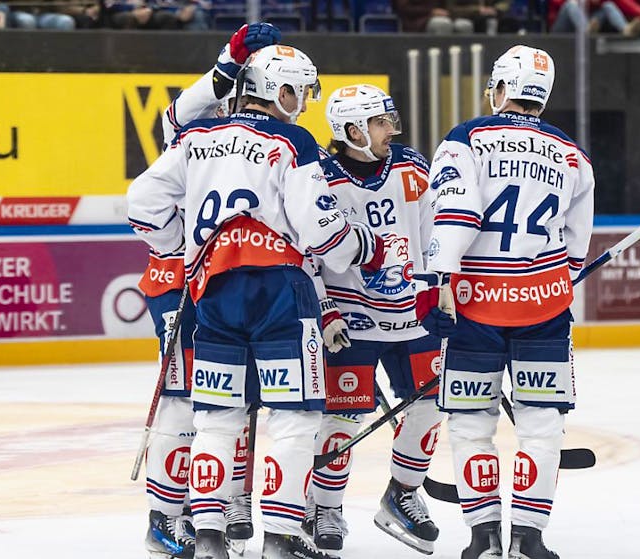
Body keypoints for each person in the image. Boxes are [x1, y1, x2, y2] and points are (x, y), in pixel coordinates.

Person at [127, 43, 385, 559]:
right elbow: (323, 236)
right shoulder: (291, 140)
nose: (306, 103)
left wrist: (182, 245)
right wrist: (366, 246)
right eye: (302, 91)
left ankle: (207, 539)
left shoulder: (195, 136)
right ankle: (282, 540)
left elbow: (142, 203)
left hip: (213, 293)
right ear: (280, 91)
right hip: (279, 294)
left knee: (216, 419)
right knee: (294, 419)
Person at [418, 45, 594, 559]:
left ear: (498, 88)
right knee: (542, 426)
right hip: (543, 310)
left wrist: (436, 282)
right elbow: (577, 248)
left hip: (474, 309)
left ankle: (484, 537)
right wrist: (548, 284)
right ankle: (529, 539)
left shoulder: (467, 138)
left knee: (472, 424)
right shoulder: (573, 154)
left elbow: (455, 214)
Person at [138, 23, 282, 559]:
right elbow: (173, 119)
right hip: (182, 283)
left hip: (231, 282)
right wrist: (224, 63)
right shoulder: (195, 129)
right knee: (183, 401)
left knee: (236, 398)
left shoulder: (257, 137)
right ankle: (164, 518)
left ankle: (225, 502)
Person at [299, 84, 445, 556]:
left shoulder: (411, 166)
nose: (390, 130)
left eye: (388, 121)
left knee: (430, 403)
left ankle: (402, 493)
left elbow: (433, 233)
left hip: (413, 316)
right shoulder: (319, 177)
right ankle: (324, 506)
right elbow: (307, 252)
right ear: (353, 129)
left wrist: (438, 291)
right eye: (380, 122)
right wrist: (324, 309)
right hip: (351, 320)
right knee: (342, 416)